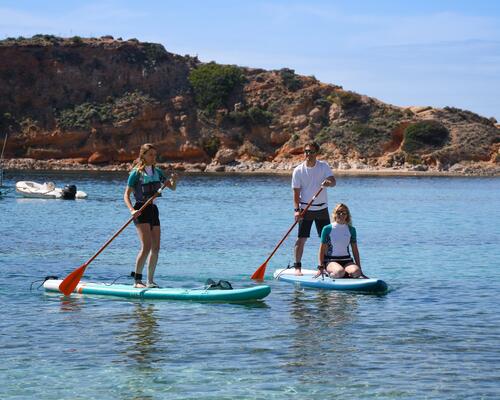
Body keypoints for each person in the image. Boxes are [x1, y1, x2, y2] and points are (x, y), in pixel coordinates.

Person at [123, 143, 177, 288]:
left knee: (156, 247)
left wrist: (174, 180)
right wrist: (132, 210)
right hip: (140, 209)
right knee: (146, 247)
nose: (154, 157)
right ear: (143, 155)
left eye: (155, 154)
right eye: (150, 154)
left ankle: (150, 281)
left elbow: (172, 187)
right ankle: (137, 281)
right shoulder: (135, 173)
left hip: (153, 210)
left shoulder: (157, 172)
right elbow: (126, 195)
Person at [292, 141, 336, 275]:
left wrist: (328, 182)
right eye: (306, 151)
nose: (308, 154)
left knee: (326, 239)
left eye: (311, 151)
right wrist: (296, 211)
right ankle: (297, 267)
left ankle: (323, 267)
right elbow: (296, 193)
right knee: (301, 238)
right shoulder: (298, 170)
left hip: (322, 209)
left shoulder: (323, 167)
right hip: (306, 209)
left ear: (316, 153)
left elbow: (333, 182)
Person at [317, 203, 366, 279]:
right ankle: (331, 273)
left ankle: (344, 273)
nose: (341, 215)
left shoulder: (351, 230)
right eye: (338, 212)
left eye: (343, 213)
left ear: (347, 215)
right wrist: (320, 267)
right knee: (339, 272)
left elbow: (355, 250)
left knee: (356, 273)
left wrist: (360, 269)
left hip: (347, 260)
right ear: (334, 214)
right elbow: (322, 249)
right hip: (331, 261)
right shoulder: (327, 229)